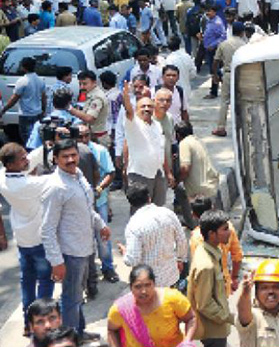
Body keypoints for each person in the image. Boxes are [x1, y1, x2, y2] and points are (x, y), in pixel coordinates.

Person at [41, 139, 109, 342]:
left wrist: (101, 225)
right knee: (70, 300)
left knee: (77, 297)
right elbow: (47, 228)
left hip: (85, 248)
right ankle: (68, 341)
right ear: (55, 159)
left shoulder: (78, 176)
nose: (71, 160)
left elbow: (87, 209)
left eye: (73, 155)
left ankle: (78, 332)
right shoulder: (55, 187)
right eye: (65, 156)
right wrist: (56, 261)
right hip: (70, 254)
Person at [0, 143, 54, 315]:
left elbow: (30, 161)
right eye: (22, 159)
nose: (26, 160)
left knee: (27, 281)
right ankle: (41, 316)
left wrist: (45, 146)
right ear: (10, 164)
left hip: (22, 239)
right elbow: (57, 178)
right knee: (46, 280)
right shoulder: (27, 184)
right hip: (38, 239)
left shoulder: (3, 176)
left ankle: (28, 319)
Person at [107, 264, 197, 347]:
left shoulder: (172, 299)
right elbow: (111, 330)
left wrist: (187, 341)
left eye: (147, 285)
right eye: (138, 286)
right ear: (131, 288)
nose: (143, 291)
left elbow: (191, 318)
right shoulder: (121, 309)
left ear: (154, 284)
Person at [120, 182, 188, 289]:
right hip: (171, 276)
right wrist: (180, 259)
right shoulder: (168, 213)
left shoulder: (133, 225)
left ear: (131, 204)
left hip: (148, 284)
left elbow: (133, 260)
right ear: (149, 197)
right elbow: (181, 240)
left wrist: (124, 252)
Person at [188, 209, 234, 347]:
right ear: (211, 234)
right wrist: (228, 317)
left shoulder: (209, 251)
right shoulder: (206, 266)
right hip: (213, 330)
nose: (230, 232)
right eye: (225, 229)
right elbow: (204, 303)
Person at [236, 259, 279, 346]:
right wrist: (245, 293)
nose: (271, 291)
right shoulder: (251, 316)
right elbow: (243, 312)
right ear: (256, 292)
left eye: (276, 287)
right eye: (264, 288)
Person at [122, 80, 170, 207]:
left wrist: (167, 172)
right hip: (140, 174)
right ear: (137, 109)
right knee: (140, 210)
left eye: (149, 106)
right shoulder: (133, 124)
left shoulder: (157, 125)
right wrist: (126, 97)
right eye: (143, 106)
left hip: (158, 173)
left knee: (158, 208)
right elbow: (129, 112)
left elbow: (161, 150)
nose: (147, 109)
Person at [0, 56, 46, 145]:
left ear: (23, 67)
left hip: (25, 115)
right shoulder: (40, 80)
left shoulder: (22, 81)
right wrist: (43, 110)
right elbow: (44, 97)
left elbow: (14, 98)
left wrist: (3, 110)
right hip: (37, 113)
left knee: (26, 138)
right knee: (36, 137)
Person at [212, 22, 246, 137]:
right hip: (241, 74)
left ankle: (221, 127)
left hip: (228, 74)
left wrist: (215, 75)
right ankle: (244, 126)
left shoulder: (224, 44)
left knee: (225, 101)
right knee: (242, 101)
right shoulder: (245, 45)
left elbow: (216, 60)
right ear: (242, 32)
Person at [68, 70, 110, 147]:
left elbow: (89, 118)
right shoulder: (90, 94)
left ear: (94, 82)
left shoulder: (97, 97)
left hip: (98, 138)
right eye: (80, 84)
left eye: (85, 84)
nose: (81, 87)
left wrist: (70, 109)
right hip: (91, 136)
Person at [202, 4, 226, 97]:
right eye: (207, 11)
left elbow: (223, 37)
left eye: (210, 11)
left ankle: (216, 90)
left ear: (214, 12)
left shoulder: (217, 23)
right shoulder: (209, 21)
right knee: (213, 71)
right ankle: (216, 89)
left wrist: (213, 45)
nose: (208, 13)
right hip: (208, 48)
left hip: (214, 49)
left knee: (215, 70)